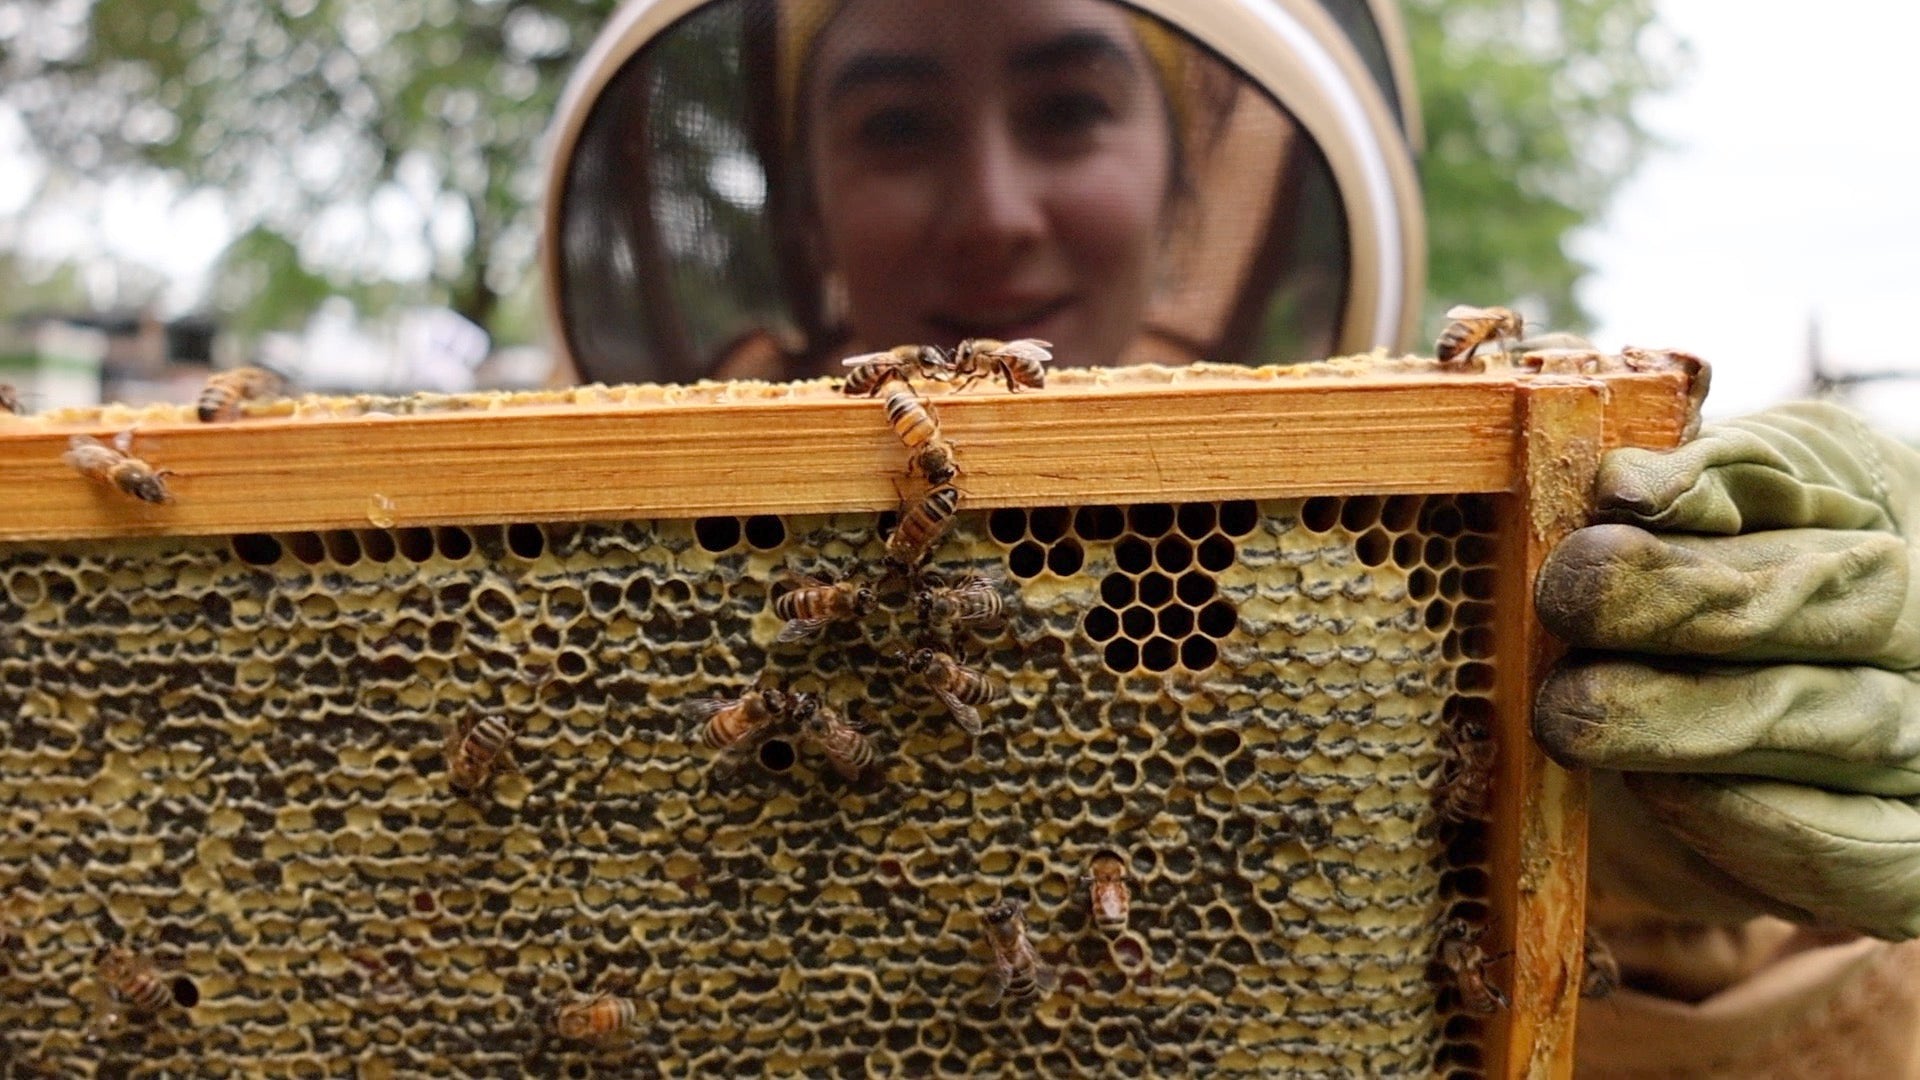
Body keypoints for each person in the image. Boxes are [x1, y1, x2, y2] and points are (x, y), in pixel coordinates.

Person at [541, 1, 1920, 1073]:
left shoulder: (1412, 579)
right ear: (805, 205)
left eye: (1068, 111)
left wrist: (1642, 902)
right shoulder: (570, 587)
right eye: (898, 126)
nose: (994, 211)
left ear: (1187, 185)